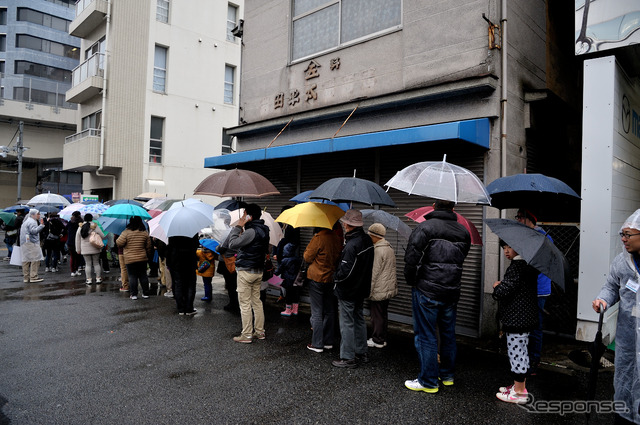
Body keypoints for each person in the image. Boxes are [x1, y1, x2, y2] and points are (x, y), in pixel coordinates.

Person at [403, 200, 470, 393]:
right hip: (451, 290)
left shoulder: (424, 228)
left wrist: (413, 281)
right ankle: (447, 375)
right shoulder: (463, 232)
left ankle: (428, 381)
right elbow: (460, 258)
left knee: (426, 335)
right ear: (453, 208)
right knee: (448, 334)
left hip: (426, 290)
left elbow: (411, 259)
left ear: (433, 206)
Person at [592, 209, 640, 425]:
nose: (623, 239)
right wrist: (603, 299)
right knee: (625, 375)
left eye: (628, 235)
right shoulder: (622, 261)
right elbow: (611, 285)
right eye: (622, 234)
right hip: (628, 334)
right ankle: (623, 418)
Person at [492, 240, 539, 404]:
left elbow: (504, 291)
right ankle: (518, 386)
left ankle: (519, 392)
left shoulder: (517, 267)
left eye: (509, 247)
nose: (506, 251)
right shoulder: (529, 265)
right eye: (504, 247)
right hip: (525, 317)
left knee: (517, 354)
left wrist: (497, 286)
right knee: (521, 353)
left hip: (517, 319)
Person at [332, 209, 374, 368]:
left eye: (344, 221)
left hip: (348, 290)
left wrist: (335, 277)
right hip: (361, 288)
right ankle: (361, 353)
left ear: (349, 225)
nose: (342, 223)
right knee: (359, 320)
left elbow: (345, 272)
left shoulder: (352, 244)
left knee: (347, 323)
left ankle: (348, 357)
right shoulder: (367, 240)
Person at [224, 203, 270, 343]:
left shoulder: (251, 232)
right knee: (256, 301)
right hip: (258, 270)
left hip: (246, 270)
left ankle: (247, 335)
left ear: (249, 216)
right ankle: (260, 332)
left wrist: (238, 226)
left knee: (244, 303)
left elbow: (232, 244)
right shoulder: (265, 229)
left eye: (244, 214)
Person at [516, 208, 552, 374]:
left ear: (527, 219)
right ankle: (525, 359)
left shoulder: (543, 237)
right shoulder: (526, 236)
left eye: (519, 217)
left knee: (535, 327)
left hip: (538, 289)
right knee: (527, 326)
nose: (517, 220)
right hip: (528, 288)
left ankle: (534, 361)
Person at [304, 225, 343, 353]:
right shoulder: (337, 238)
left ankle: (317, 344)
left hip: (316, 277)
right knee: (330, 310)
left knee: (317, 311)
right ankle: (328, 341)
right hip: (331, 278)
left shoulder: (319, 238)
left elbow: (307, 257)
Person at [367, 223, 398, 349]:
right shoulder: (388, 247)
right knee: (383, 314)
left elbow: (374, 273)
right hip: (387, 287)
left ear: (375, 236)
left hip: (379, 288)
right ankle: (382, 337)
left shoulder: (378, 250)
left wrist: (369, 290)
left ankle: (377, 340)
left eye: (370, 235)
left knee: (377, 315)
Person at [117, 216, 153, 300]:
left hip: (130, 258)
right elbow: (148, 246)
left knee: (132, 276)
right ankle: (145, 293)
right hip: (142, 258)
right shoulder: (144, 232)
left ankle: (134, 294)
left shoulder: (126, 232)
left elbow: (119, 243)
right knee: (143, 275)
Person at [167, 235, 199, 314]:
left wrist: (169, 262)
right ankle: (189, 308)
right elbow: (196, 245)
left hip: (176, 261)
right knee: (190, 285)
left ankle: (180, 308)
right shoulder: (192, 231)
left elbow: (169, 247)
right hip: (190, 260)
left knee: (178, 284)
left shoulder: (173, 232)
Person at [75, 213, 105, 285]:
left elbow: (77, 239)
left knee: (88, 264)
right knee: (96, 263)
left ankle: (89, 280)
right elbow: (102, 235)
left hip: (84, 249)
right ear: (92, 218)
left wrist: (78, 249)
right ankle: (98, 278)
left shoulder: (80, 227)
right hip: (95, 248)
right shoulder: (95, 226)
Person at [277, 242, 302, 317]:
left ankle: (288, 310)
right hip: (297, 281)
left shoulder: (285, 260)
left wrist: (273, 274)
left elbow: (279, 270)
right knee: (296, 295)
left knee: (288, 295)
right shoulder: (298, 259)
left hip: (288, 281)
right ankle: (295, 310)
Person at [20, 209, 45, 283]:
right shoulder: (32, 222)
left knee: (26, 260)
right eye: (38, 214)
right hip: (32, 242)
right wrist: (41, 225)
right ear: (33, 215)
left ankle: (26, 277)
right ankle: (33, 277)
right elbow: (34, 231)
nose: (39, 215)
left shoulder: (26, 221)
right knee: (35, 259)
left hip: (24, 242)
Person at [217, 236, 239, 313]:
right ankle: (236, 303)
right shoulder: (242, 235)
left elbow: (221, 248)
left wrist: (217, 247)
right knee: (235, 284)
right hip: (236, 261)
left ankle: (233, 304)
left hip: (227, 263)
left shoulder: (230, 234)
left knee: (231, 285)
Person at [65, 211, 83, 277]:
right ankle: (77, 269)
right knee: (78, 256)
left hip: (70, 241)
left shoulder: (70, 222)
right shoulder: (81, 222)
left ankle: (72, 271)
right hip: (79, 241)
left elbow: (65, 229)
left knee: (72, 257)